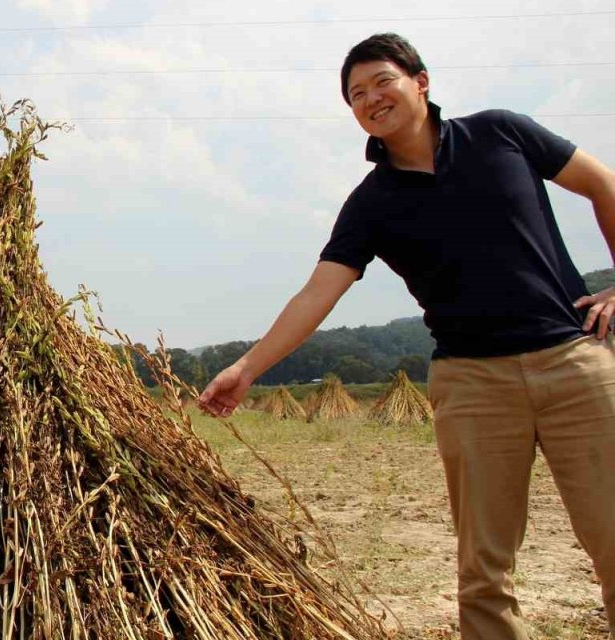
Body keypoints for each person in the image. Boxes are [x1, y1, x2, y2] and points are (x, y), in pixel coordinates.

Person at [198, 33, 615, 639]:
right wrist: (248, 368)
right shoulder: (372, 203)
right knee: (484, 572)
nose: (371, 98)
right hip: (472, 385)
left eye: (382, 81)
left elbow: (603, 185)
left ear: (421, 81)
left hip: (574, 362)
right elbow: (316, 294)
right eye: (356, 94)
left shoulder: (502, 133)